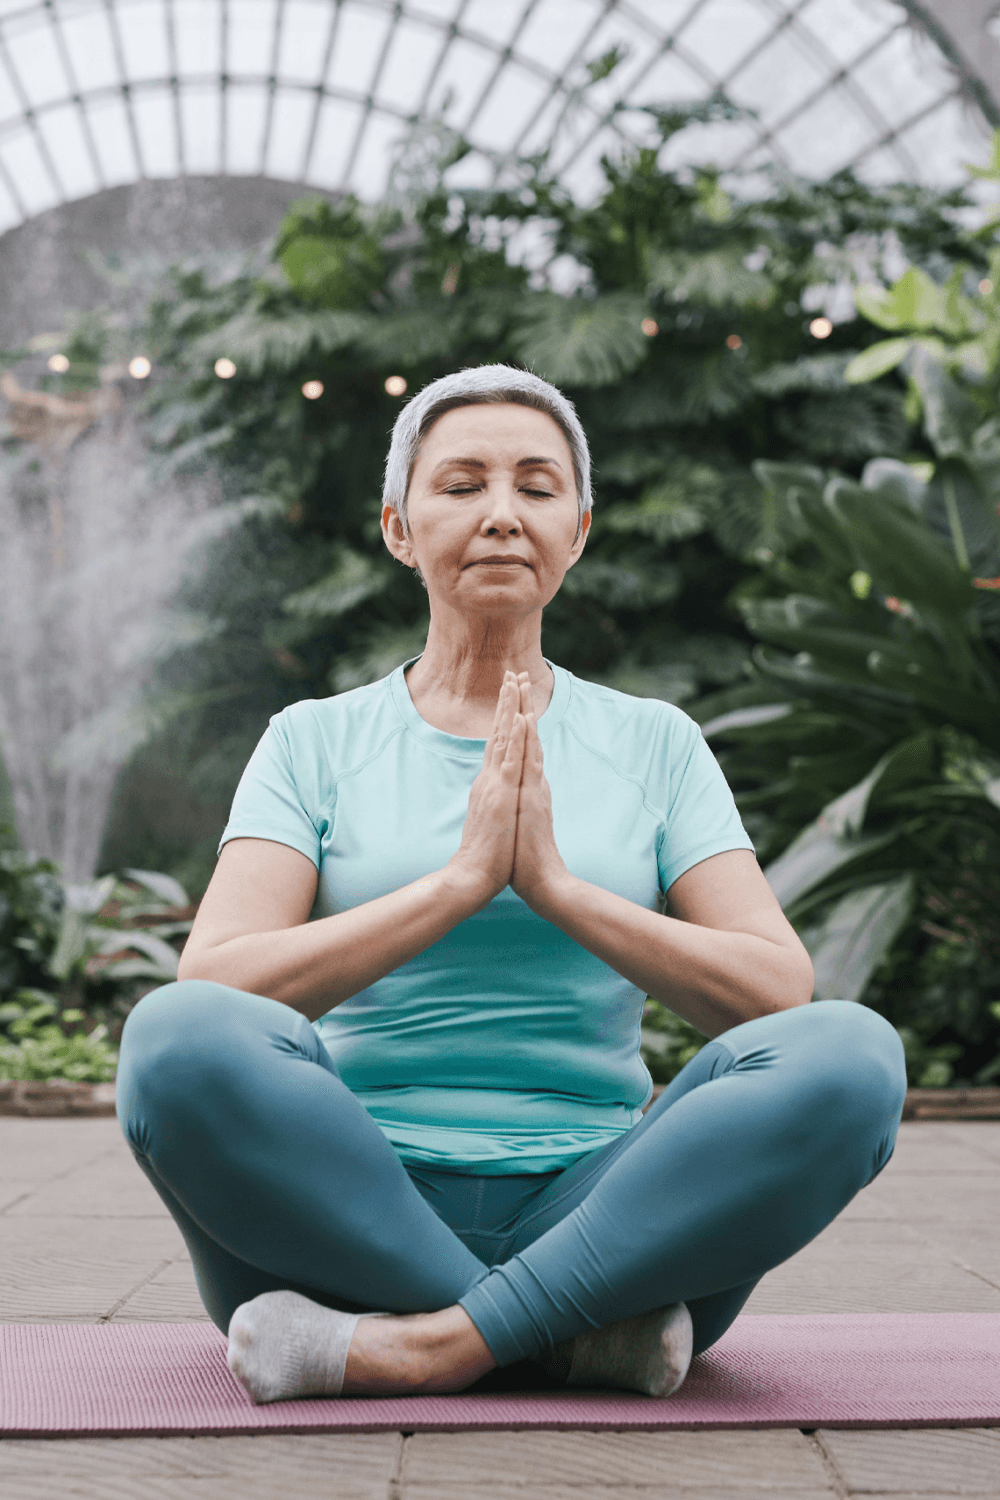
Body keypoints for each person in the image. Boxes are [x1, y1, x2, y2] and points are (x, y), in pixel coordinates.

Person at [116, 365, 907, 1405]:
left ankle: (427, 1347)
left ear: (576, 531)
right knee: (174, 1039)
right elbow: (218, 979)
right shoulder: (312, 741)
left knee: (851, 1054)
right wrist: (458, 884)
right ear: (400, 527)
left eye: (536, 488)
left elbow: (773, 993)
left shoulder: (653, 743)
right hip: (340, 1208)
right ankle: (564, 1341)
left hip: (611, 1220)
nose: (500, 515)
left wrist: (556, 888)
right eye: (461, 486)